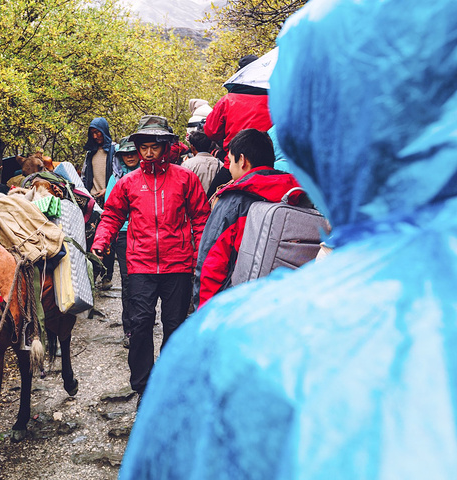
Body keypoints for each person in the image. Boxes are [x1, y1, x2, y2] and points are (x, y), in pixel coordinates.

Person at [120, 0, 457, 478]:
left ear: (308, 132)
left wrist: (203, 298)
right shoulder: (141, 185)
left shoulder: (234, 347)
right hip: (144, 265)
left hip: (174, 269)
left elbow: (206, 238)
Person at [90, 116, 210, 401]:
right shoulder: (128, 183)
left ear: (165, 146)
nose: (148, 152)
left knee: (175, 325)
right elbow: (112, 215)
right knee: (140, 323)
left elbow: (201, 219)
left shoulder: (185, 179)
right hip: (141, 265)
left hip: (178, 265)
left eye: (154, 146)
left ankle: (169, 379)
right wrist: (101, 241)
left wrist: (198, 257)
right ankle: (143, 385)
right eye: (143, 146)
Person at [193, 128, 301, 308]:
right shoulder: (296, 194)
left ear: (242, 160)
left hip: (238, 306)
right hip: (285, 305)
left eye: (230, 160)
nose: (229, 167)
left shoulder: (234, 200)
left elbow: (211, 262)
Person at [104, 137, 141, 348]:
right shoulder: (115, 178)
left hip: (144, 233)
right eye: (125, 154)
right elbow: (111, 207)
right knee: (128, 281)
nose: (129, 157)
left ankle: (141, 319)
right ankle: (129, 328)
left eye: (132, 153)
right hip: (125, 234)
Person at [203, 55, 273, 160]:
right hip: (269, 160)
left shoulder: (228, 100)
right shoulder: (275, 100)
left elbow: (211, 131)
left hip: (235, 160)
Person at [81, 117, 117, 289]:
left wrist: (108, 190)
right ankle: (93, 274)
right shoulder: (90, 154)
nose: (96, 136)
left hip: (110, 198)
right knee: (92, 238)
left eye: (98, 132)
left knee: (108, 239)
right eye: (93, 133)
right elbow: (85, 176)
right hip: (93, 201)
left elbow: (118, 174)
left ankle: (107, 275)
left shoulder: (115, 150)